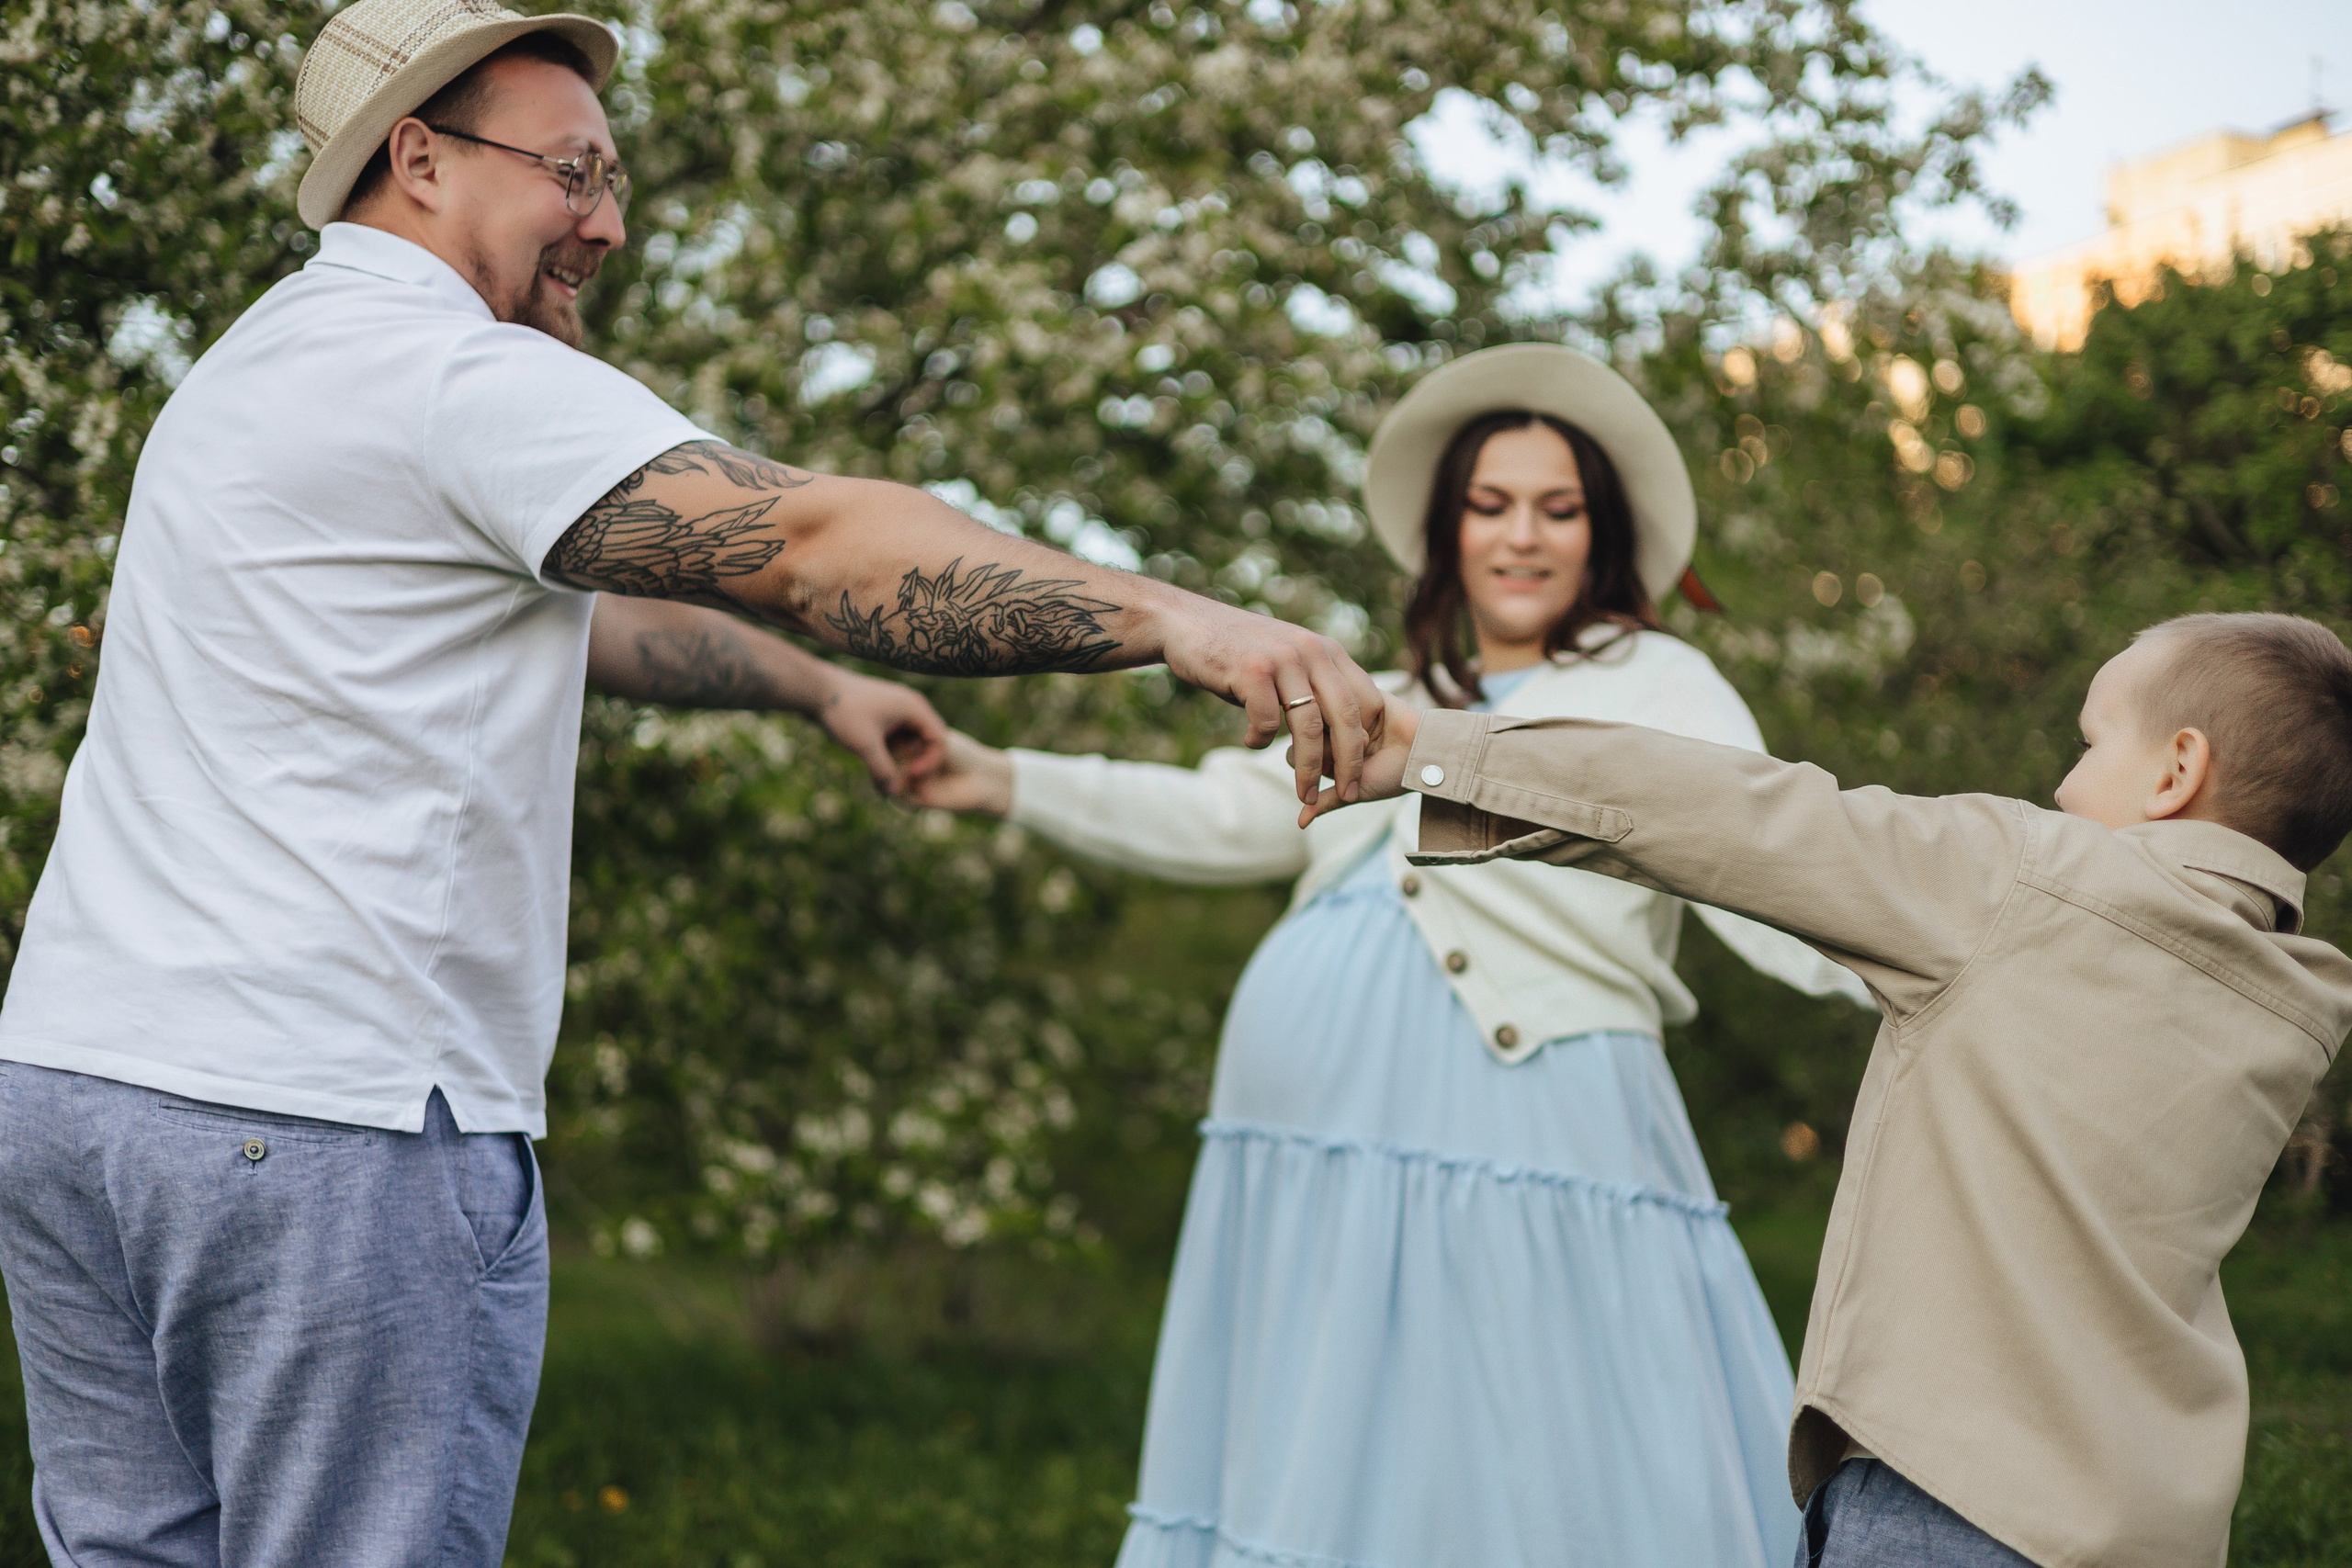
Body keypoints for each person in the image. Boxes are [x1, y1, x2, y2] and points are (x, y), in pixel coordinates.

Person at [0, 4, 1389, 1563]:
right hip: (327, 1118)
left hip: (80, 1092)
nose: (608, 221)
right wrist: (1172, 616)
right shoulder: (457, 376)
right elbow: (803, 541)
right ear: (418, 157)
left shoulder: (255, 368)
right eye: (572, 172)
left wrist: (817, 691)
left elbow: (563, 611)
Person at [911, 343, 1874, 1568]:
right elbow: (1226, 813)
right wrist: (998, 775)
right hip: (1313, 1134)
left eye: (1557, 508)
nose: (1521, 537)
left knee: (1538, 1451)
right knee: (1343, 1460)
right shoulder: (1389, 685)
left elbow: (1768, 857)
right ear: (1447, 531)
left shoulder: (1659, 679)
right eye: (1490, 505)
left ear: (1603, 535)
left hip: (1530, 1116)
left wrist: (1936, 957)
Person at [1346, 611, 2352, 1568]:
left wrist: (1437, 749)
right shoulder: (2291, 1000)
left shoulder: (2028, 882)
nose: (2060, 782)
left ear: (2177, 769)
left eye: (2089, 747)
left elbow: (1743, 816)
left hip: (1949, 1498)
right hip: (2144, 1518)